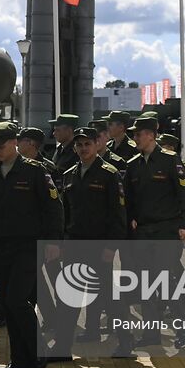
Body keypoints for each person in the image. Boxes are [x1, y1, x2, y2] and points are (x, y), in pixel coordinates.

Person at [0, 120, 63, 368]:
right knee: (8, 305)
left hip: (29, 246)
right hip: (2, 248)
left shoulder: (35, 171)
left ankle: (38, 352)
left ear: (14, 143)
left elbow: (54, 208)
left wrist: (53, 241)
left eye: (0, 146)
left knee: (17, 300)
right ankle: (20, 360)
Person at [53, 126, 127, 353]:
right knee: (69, 296)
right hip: (75, 244)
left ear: (97, 145)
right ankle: (63, 346)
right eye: (79, 144)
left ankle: (126, 342)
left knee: (108, 297)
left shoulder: (109, 173)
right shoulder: (69, 175)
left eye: (87, 144)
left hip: (99, 245)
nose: (83, 148)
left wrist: (111, 247)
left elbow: (118, 214)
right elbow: (66, 213)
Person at [123, 114, 185, 348]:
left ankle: (183, 326)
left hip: (166, 230)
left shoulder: (171, 161)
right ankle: (151, 335)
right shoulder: (133, 164)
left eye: (138, 133)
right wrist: (131, 220)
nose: (134, 137)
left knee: (164, 282)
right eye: (133, 133)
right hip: (143, 232)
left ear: (152, 135)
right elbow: (129, 200)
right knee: (145, 284)